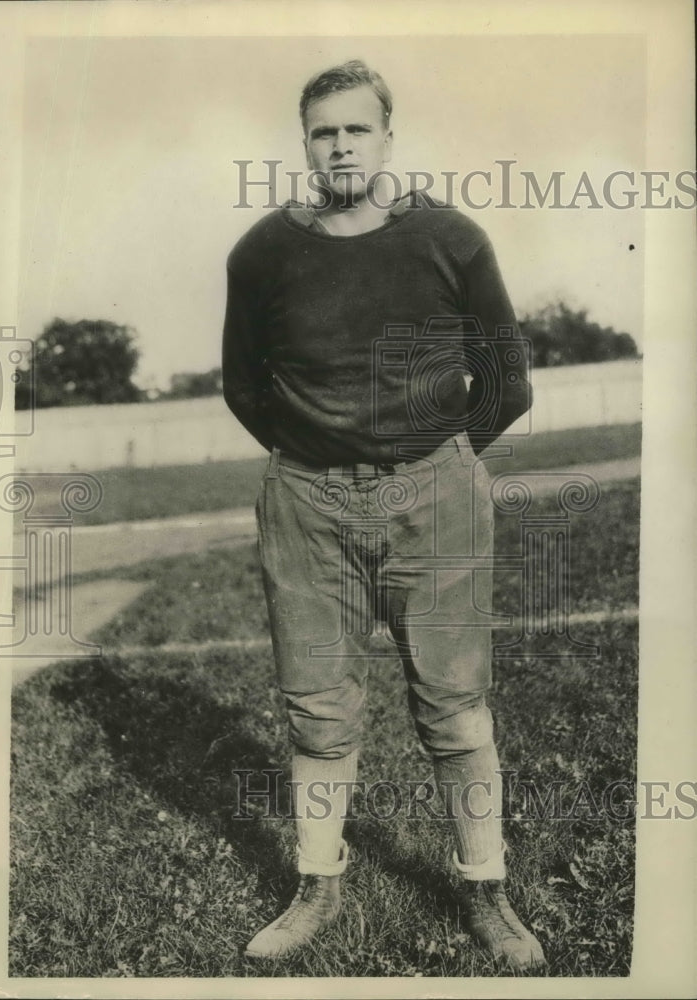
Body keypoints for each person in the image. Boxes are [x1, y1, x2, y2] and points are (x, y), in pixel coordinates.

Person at [222, 59, 544, 972]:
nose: (340, 146)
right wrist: (320, 460)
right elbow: (244, 387)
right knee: (316, 706)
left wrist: (431, 465)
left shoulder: (449, 238)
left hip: (434, 493)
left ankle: (487, 892)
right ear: (305, 145)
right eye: (323, 132)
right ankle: (317, 884)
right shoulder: (262, 251)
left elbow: (508, 384)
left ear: (387, 136)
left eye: (356, 129)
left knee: (452, 706)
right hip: (305, 501)